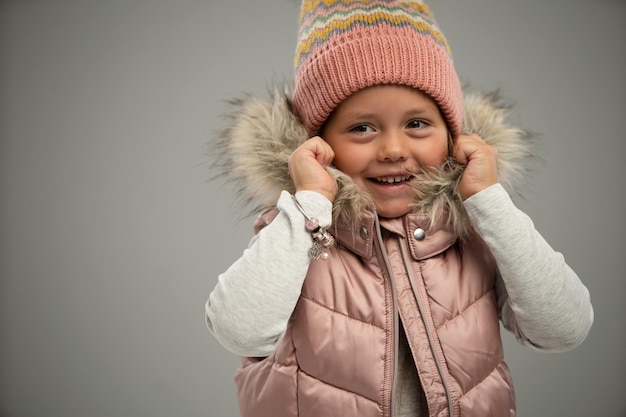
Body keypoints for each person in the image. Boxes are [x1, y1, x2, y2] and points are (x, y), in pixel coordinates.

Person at [204, 1, 594, 416]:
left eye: (417, 124)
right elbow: (239, 331)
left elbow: (564, 330)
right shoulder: (299, 230)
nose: (393, 150)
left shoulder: (474, 232)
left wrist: (489, 202)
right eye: (362, 128)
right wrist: (311, 203)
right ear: (319, 143)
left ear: (452, 135)